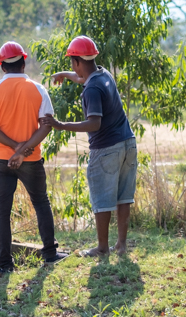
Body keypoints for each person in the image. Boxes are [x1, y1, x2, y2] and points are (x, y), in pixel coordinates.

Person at [39, 35, 137, 258]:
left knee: (102, 198)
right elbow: (83, 78)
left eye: (71, 64)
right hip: (128, 143)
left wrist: (60, 125)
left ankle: (102, 248)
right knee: (124, 196)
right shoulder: (103, 75)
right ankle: (121, 245)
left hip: (107, 148)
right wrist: (65, 75)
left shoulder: (92, 88)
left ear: (76, 61)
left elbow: (95, 122)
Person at [0, 41, 68, 272]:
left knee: (2, 210)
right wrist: (23, 149)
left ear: (2, 66)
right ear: (24, 62)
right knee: (40, 202)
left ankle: (5, 264)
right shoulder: (38, 89)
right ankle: (50, 253)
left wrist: (13, 147)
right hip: (30, 159)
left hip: (0, 159)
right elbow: (47, 125)